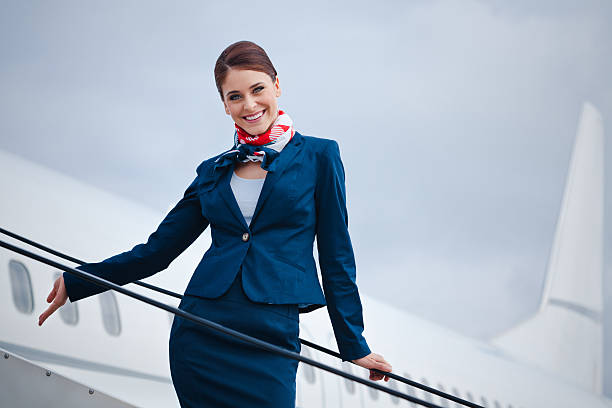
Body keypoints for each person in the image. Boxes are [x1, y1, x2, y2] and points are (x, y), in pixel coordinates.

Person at [38, 40, 392, 407]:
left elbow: (336, 255)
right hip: (201, 334)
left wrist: (353, 345)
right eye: (235, 96)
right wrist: (78, 280)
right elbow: (157, 252)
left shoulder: (320, 156)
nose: (250, 105)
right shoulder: (214, 171)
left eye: (258, 90)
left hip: (270, 336)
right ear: (225, 105)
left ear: (277, 86)